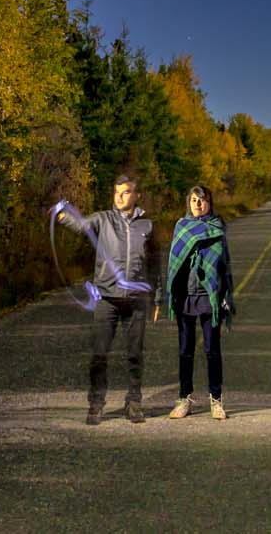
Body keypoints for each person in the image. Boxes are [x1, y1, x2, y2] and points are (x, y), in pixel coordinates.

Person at [59, 172, 164, 424]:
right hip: (107, 298)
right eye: (116, 193)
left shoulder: (147, 225)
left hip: (136, 299)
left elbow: (154, 264)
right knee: (99, 353)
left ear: (136, 195)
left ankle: (134, 403)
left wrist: (158, 298)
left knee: (135, 354)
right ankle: (96, 404)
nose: (119, 197)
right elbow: (81, 225)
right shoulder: (103, 219)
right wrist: (62, 216)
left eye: (125, 192)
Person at [165, 184, 233, 420]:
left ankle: (216, 400)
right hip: (185, 297)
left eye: (202, 200)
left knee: (212, 350)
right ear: (188, 202)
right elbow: (172, 264)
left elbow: (224, 267)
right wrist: (163, 295)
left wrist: (225, 297)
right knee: (185, 351)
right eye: (194, 200)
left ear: (209, 203)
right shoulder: (181, 228)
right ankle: (184, 399)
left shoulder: (217, 228)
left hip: (209, 298)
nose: (198, 204)